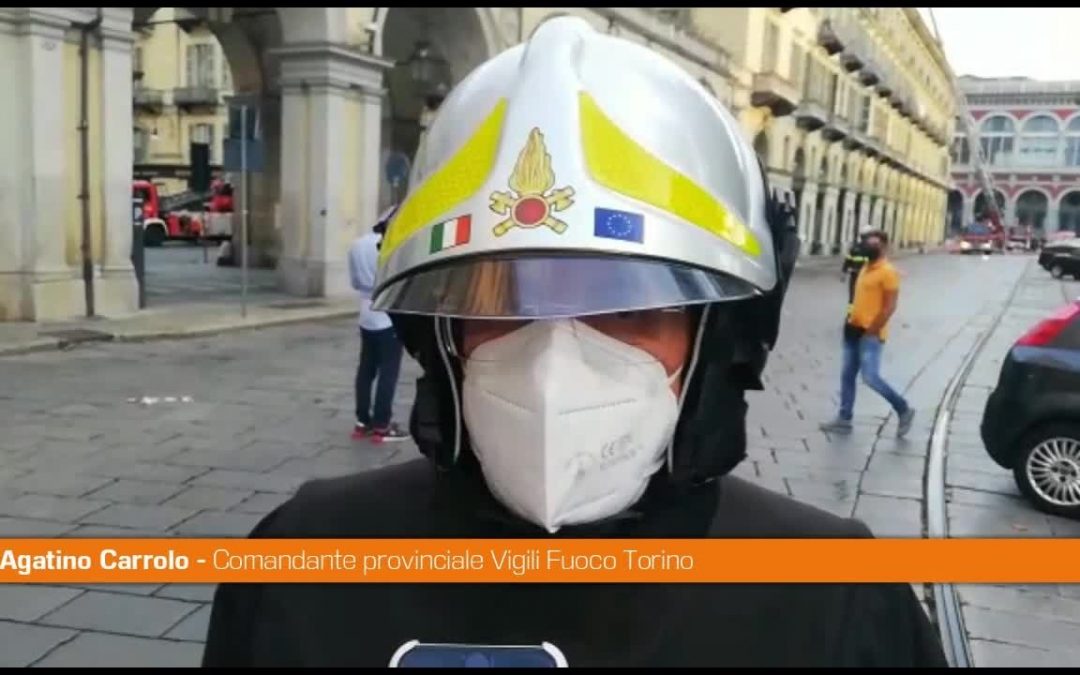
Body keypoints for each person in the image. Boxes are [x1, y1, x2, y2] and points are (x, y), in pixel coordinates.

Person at [203, 17, 946, 668]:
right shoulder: (307, 558)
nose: (554, 362)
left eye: (626, 310)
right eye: (502, 300)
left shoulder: (832, 597)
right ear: (441, 337)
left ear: (716, 335)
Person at [821, 229, 915, 437]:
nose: (867, 247)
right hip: (852, 330)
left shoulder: (888, 272)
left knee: (871, 378)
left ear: (883, 247)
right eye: (866, 243)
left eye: (873, 244)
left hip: (870, 334)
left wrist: (872, 330)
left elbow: (890, 307)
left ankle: (904, 409)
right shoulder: (865, 267)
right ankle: (844, 418)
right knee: (847, 376)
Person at [347, 205, 409, 442]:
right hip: (387, 314)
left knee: (366, 370)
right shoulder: (391, 247)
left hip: (365, 313)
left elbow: (354, 281)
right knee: (388, 372)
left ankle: (362, 422)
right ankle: (382, 425)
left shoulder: (357, 244)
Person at [841, 228, 872, 312]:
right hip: (866, 276)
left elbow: (847, 261)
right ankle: (858, 314)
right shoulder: (871, 249)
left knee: (852, 297)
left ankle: (850, 316)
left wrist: (844, 272)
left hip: (855, 275)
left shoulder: (855, 247)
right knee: (863, 296)